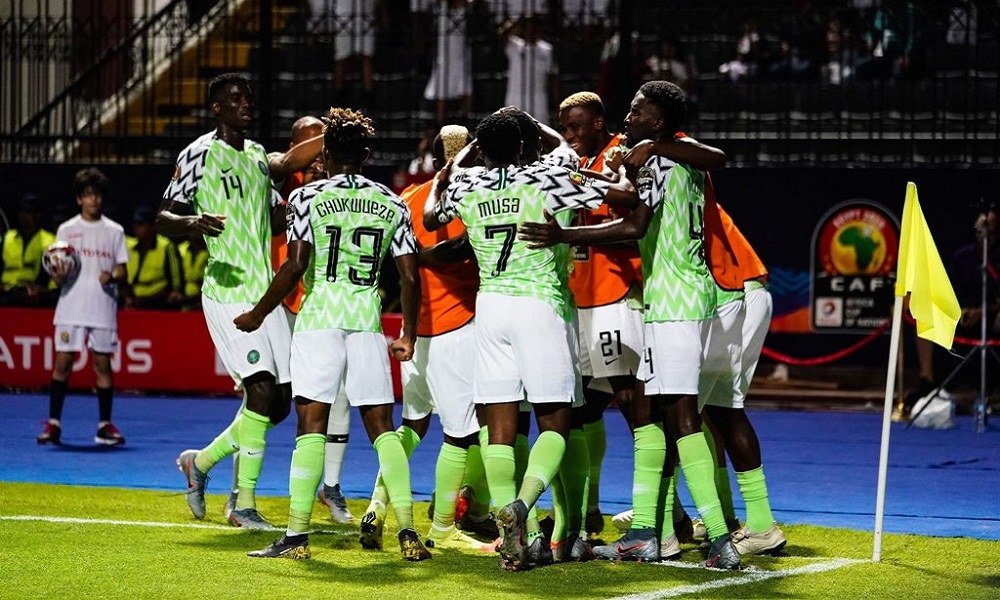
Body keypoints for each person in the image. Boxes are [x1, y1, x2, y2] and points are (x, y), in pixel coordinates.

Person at [518, 80, 742, 570]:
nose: (629, 117)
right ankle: (648, 530)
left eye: (638, 111)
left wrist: (564, 234)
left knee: (677, 421)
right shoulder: (677, 159)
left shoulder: (658, 158)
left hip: (669, 302)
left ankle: (713, 537)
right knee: (665, 418)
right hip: (689, 298)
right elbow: (709, 161)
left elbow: (635, 224)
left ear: (658, 121)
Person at [423, 111, 637, 571]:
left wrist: (457, 162)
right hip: (541, 307)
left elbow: (431, 214)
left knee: (499, 428)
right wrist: (532, 123)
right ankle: (523, 506)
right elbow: (622, 194)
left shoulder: (466, 184)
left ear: (482, 149)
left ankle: (514, 536)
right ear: (524, 146)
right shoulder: (548, 176)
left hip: (490, 309)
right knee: (558, 423)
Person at [239, 107, 430, 561]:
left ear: (324, 154)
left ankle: (296, 538)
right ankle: (407, 532)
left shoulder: (307, 198)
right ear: (366, 155)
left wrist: (258, 314)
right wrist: (408, 333)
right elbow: (409, 277)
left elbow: (295, 266)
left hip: (319, 320)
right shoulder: (392, 202)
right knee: (383, 429)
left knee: (311, 426)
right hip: (366, 322)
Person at [157, 72, 322, 529]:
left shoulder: (255, 157)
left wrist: (303, 196)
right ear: (217, 107)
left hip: (264, 291)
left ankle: (200, 463)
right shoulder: (198, 153)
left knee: (281, 402)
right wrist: (192, 223)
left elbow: (275, 207)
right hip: (226, 290)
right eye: (236, 98)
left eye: (249, 97)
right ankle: (242, 503)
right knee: (261, 390)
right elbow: (164, 216)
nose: (246, 104)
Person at [356, 124, 490, 553]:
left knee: (413, 425)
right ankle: (446, 525)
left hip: (414, 330)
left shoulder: (408, 198)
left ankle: (376, 507)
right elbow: (462, 251)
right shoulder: (474, 196)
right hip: (458, 325)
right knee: (463, 433)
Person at [36, 168, 129, 447]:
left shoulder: (115, 231)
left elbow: (123, 271)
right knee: (63, 363)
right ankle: (54, 424)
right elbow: (57, 270)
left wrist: (112, 276)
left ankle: (104, 426)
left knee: (103, 365)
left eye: (97, 195)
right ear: (79, 199)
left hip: (102, 306)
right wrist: (58, 276)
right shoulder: (66, 229)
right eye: (88, 195)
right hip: (71, 306)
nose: (93, 200)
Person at [905, 205, 1000, 413]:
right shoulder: (962, 257)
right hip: (962, 316)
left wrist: (983, 312)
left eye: (990, 230)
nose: (984, 235)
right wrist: (962, 311)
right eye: (981, 230)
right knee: (925, 312)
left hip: (991, 319)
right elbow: (948, 293)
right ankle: (927, 379)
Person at [499, 16, 557, 124]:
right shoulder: (514, 46)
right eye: (527, 27)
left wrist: (555, 101)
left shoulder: (546, 49)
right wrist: (517, 19)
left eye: (533, 27)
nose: (530, 30)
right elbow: (502, 34)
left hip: (539, 100)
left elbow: (551, 76)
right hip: (516, 99)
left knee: (540, 129)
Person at [423, 0, 473, 125]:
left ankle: (464, 121)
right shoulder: (442, 8)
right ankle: (439, 123)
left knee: (465, 90)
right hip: (444, 56)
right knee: (442, 91)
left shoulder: (465, 10)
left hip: (461, 54)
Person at [1, 193, 56, 306]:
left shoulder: (49, 240)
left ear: (38, 215)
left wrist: (40, 289)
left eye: (28, 212)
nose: (23, 216)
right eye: (21, 211)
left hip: (32, 293)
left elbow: (48, 272)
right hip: (6, 291)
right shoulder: (7, 237)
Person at [124, 205, 183, 310]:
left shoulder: (165, 246)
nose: (136, 227)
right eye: (135, 223)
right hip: (134, 300)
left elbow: (176, 278)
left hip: (158, 301)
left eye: (141, 224)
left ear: (152, 226)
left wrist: (175, 291)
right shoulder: (130, 247)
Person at [177, 229, 208, 310]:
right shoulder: (181, 249)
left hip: (203, 298)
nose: (196, 233)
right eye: (193, 229)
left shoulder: (210, 251)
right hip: (184, 298)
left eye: (199, 230)